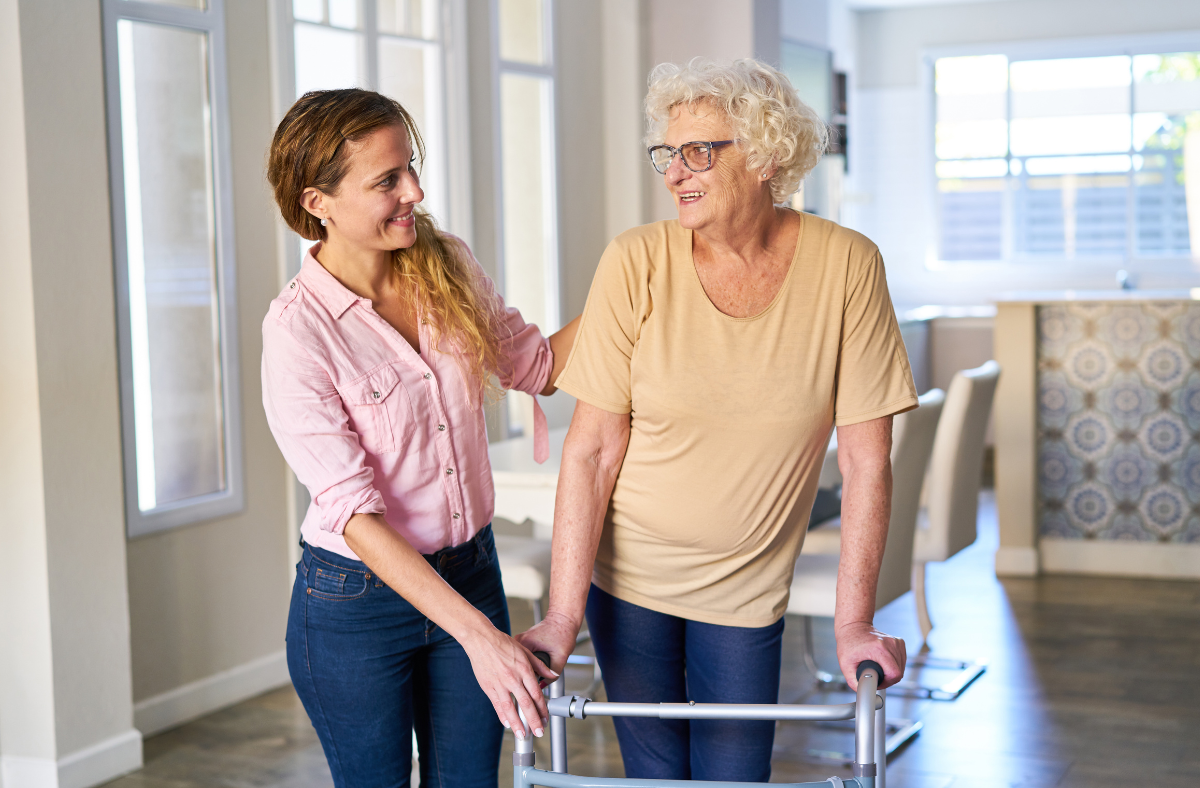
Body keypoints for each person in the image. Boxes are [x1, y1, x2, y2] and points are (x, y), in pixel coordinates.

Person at [517, 59, 917, 782]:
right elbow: (592, 453)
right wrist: (559, 618)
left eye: (700, 151)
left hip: (748, 589)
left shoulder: (848, 267)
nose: (675, 173)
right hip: (627, 583)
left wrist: (852, 623)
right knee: (658, 778)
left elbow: (865, 462)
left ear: (765, 157)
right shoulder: (636, 261)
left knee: (735, 777)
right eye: (668, 154)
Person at [262, 88, 576, 788]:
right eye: (387, 181)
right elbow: (356, 513)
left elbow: (535, 366)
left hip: (470, 568)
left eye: (411, 167)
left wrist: (638, 282)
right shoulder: (297, 333)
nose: (415, 190)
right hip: (356, 603)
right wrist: (480, 637)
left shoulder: (447, 263)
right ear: (319, 202)